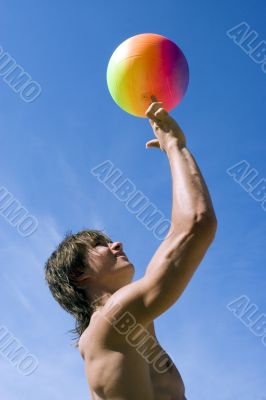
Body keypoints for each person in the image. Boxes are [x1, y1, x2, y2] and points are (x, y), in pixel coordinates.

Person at [44, 101, 217, 399]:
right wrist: (175, 146)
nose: (116, 244)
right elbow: (195, 225)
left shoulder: (133, 322)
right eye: (98, 245)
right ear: (79, 275)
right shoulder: (112, 322)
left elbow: (182, 232)